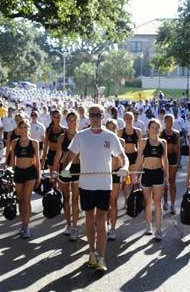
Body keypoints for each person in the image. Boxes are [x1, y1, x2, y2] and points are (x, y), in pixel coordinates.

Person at [65, 104, 128, 272]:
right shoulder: (81, 136)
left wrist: (125, 167)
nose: (95, 118)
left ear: (103, 116)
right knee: (89, 220)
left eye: (98, 115)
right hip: (86, 185)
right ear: (88, 116)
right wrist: (65, 169)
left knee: (101, 221)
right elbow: (69, 156)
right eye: (92, 115)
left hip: (104, 185)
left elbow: (123, 157)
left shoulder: (110, 136)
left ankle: (101, 257)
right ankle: (91, 253)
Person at [136, 119, 168, 240]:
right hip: (146, 173)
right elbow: (139, 159)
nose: (154, 130)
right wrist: (135, 175)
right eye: (152, 127)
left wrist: (167, 176)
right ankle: (149, 225)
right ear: (148, 129)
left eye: (157, 128)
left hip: (158, 173)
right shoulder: (143, 142)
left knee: (158, 202)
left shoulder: (163, 142)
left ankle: (158, 229)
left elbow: (165, 160)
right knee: (148, 202)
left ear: (159, 130)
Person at [10, 119, 41, 238]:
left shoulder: (34, 143)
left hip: (30, 172)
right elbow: (13, 160)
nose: (23, 129)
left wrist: (38, 176)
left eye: (25, 127)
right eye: (21, 127)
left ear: (29, 128)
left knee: (27, 199)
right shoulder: (14, 143)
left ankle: (27, 226)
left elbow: (37, 160)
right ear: (18, 128)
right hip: (18, 171)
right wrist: (11, 175)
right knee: (20, 199)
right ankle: (22, 225)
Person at [52, 111, 80, 240]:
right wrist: (54, 170)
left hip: (78, 169)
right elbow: (58, 154)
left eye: (74, 120)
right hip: (64, 169)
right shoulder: (62, 137)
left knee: (75, 199)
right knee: (66, 198)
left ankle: (74, 227)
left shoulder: (81, 136)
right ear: (67, 121)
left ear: (77, 122)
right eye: (70, 120)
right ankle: (68, 224)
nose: (72, 123)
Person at [104, 119, 124, 241]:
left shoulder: (121, 141)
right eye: (109, 128)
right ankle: (104, 224)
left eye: (114, 128)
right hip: (104, 174)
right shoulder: (102, 140)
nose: (111, 130)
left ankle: (113, 228)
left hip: (116, 174)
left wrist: (123, 171)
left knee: (113, 202)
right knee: (104, 202)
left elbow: (123, 159)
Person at [118, 111, 142, 203]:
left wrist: (140, 161)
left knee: (133, 180)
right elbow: (118, 147)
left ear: (133, 119)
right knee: (126, 180)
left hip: (134, 157)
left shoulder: (137, 131)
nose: (128, 120)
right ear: (124, 119)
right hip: (125, 157)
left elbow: (140, 147)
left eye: (130, 118)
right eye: (127, 118)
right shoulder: (120, 131)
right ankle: (126, 199)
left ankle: (131, 199)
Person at [160, 114, 181, 214]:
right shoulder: (161, 133)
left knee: (172, 181)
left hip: (172, 159)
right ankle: (165, 202)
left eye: (171, 121)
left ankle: (173, 204)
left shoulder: (176, 133)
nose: (170, 122)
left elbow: (178, 149)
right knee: (164, 181)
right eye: (168, 120)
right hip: (163, 159)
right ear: (164, 122)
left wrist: (178, 162)